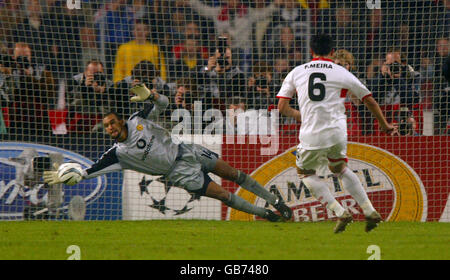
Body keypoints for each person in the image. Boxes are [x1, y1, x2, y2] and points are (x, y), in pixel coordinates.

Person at [44, 83, 292, 222]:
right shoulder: (117, 154)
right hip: (180, 174)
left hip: (187, 150)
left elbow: (164, 105)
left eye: (112, 123)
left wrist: (151, 95)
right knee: (224, 195)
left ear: (119, 120)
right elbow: (90, 171)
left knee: (235, 174)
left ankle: (276, 201)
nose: (110, 128)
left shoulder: (137, 119)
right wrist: (70, 174)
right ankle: (267, 214)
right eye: (106, 126)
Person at [277, 34, 398, 233]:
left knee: (304, 173)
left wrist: (302, 116)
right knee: (340, 168)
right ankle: (369, 210)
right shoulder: (341, 72)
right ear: (332, 53)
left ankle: (340, 212)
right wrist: (384, 125)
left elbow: (282, 106)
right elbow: (369, 99)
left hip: (312, 133)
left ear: (311, 51)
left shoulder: (297, 72)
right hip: (338, 132)